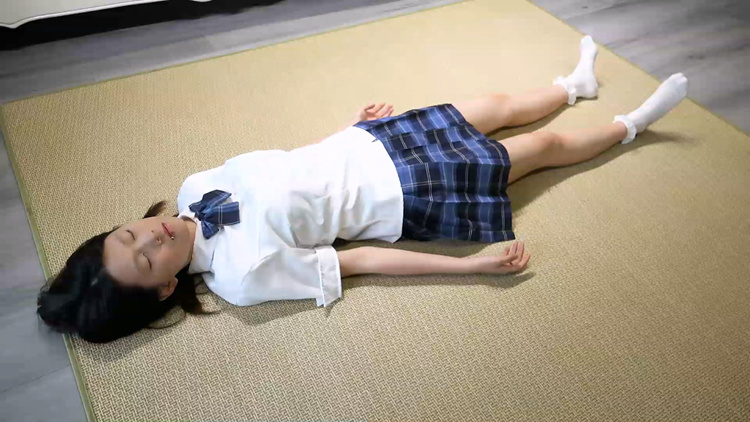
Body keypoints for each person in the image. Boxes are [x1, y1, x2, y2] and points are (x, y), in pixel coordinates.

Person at [37, 35, 688, 343]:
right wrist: (472, 268)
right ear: (162, 289)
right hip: (405, 192)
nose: (151, 236)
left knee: (494, 105)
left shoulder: (193, 185)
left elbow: (290, 164)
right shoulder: (241, 276)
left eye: (130, 233)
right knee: (538, 151)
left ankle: (574, 86)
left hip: (370, 144)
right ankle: (633, 126)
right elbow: (359, 262)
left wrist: (347, 128)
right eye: (146, 257)